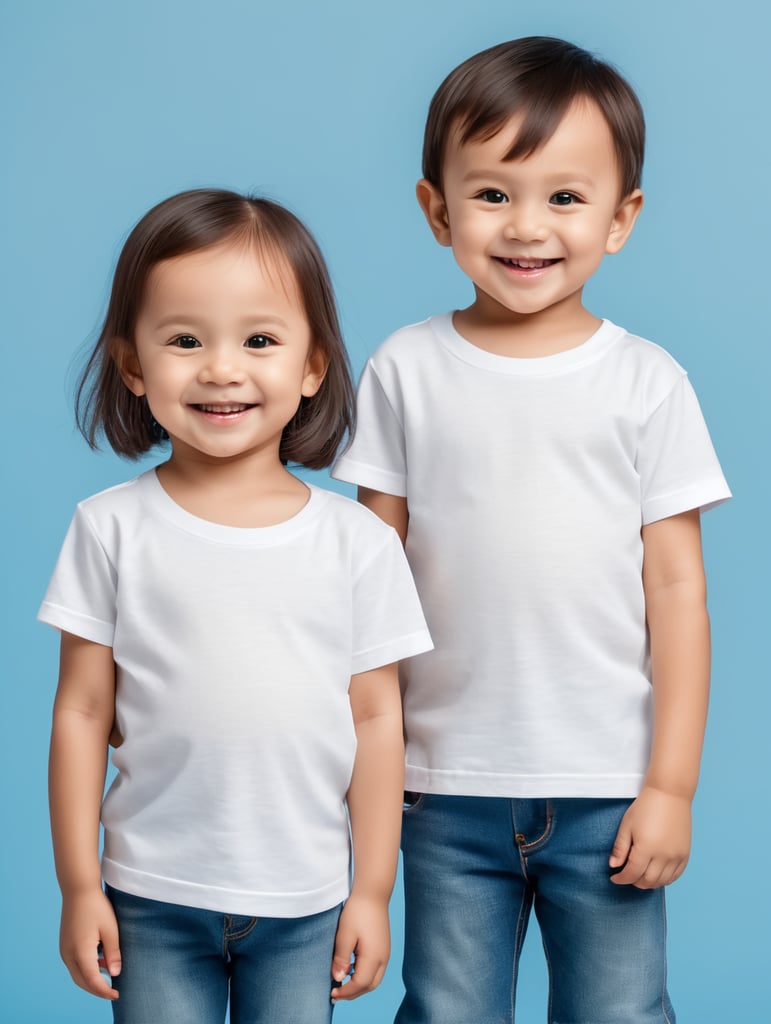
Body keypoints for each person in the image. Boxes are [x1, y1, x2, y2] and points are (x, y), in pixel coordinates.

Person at [332, 37, 730, 1024]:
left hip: (607, 787)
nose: (526, 225)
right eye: (492, 193)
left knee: (619, 1010)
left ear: (620, 218)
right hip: (439, 786)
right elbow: (367, 585)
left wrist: (670, 786)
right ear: (437, 209)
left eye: (564, 197)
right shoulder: (405, 370)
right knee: (447, 1010)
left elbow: (678, 593)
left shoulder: (647, 383)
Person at [40, 188, 432, 1024]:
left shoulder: (357, 543)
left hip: (304, 901)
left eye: (259, 339)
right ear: (132, 364)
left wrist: (371, 892)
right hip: (149, 894)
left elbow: (376, 721)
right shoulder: (110, 528)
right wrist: (79, 886)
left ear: (312, 365)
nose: (221, 368)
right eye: (185, 340)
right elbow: (80, 712)